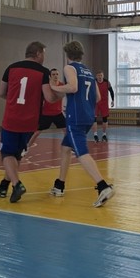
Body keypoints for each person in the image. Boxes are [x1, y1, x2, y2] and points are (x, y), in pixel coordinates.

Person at [50, 41, 115, 208]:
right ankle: (59, 185)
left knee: (81, 153)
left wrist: (54, 87)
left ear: (67, 55)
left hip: (76, 118)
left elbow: (72, 87)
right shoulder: (88, 71)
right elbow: (98, 97)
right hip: (88, 116)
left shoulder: (69, 68)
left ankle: (103, 186)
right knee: (65, 148)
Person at [0, 41, 57, 203]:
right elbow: (50, 98)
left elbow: (1, 93)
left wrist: (14, 100)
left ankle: (17, 185)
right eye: (43, 54)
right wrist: (63, 93)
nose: (44, 57)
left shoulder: (11, 68)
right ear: (38, 54)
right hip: (30, 121)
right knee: (16, 155)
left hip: (12, 118)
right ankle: (4, 185)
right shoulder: (43, 72)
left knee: (7, 154)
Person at [26, 68, 66, 151]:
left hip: (58, 113)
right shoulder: (46, 86)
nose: (55, 76)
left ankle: (69, 147)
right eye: (53, 74)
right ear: (50, 76)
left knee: (67, 131)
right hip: (46, 114)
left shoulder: (62, 85)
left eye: (57, 74)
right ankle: (26, 148)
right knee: (37, 132)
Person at [91, 70, 114, 142]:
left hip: (104, 102)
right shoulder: (93, 82)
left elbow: (111, 91)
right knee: (94, 118)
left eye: (101, 75)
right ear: (96, 76)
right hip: (95, 102)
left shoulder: (107, 82)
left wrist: (113, 100)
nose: (100, 77)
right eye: (98, 75)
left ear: (103, 76)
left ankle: (104, 134)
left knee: (105, 119)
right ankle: (95, 135)